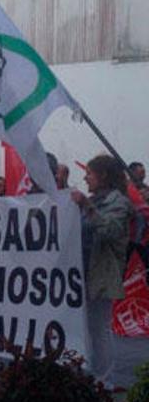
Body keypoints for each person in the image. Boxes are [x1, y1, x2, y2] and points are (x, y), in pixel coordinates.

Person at [71, 155, 134, 382]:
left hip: (100, 274)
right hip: (80, 273)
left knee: (99, 329)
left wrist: (86, 207)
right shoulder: (93, 200)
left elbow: (110, 230)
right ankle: (90, 372)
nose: (85, 178)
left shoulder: (119, 203)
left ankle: (104, 380)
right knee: (86, 329)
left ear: (103, 175)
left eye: (89, 173)